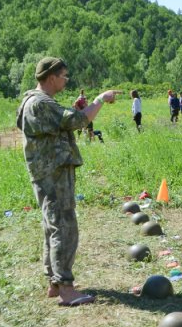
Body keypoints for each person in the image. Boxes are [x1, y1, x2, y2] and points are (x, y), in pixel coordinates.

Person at [15, 57, 119, 307]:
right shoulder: (41, 103)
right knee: (63, 226)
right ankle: (66, 289)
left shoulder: (34, 101)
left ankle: (55, 283)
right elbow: (78, 120)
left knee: (53, 226)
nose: (66, 80)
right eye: (64, 76)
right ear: (51, 77)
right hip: (54, 173)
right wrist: (100, 100)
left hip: (48, 172)